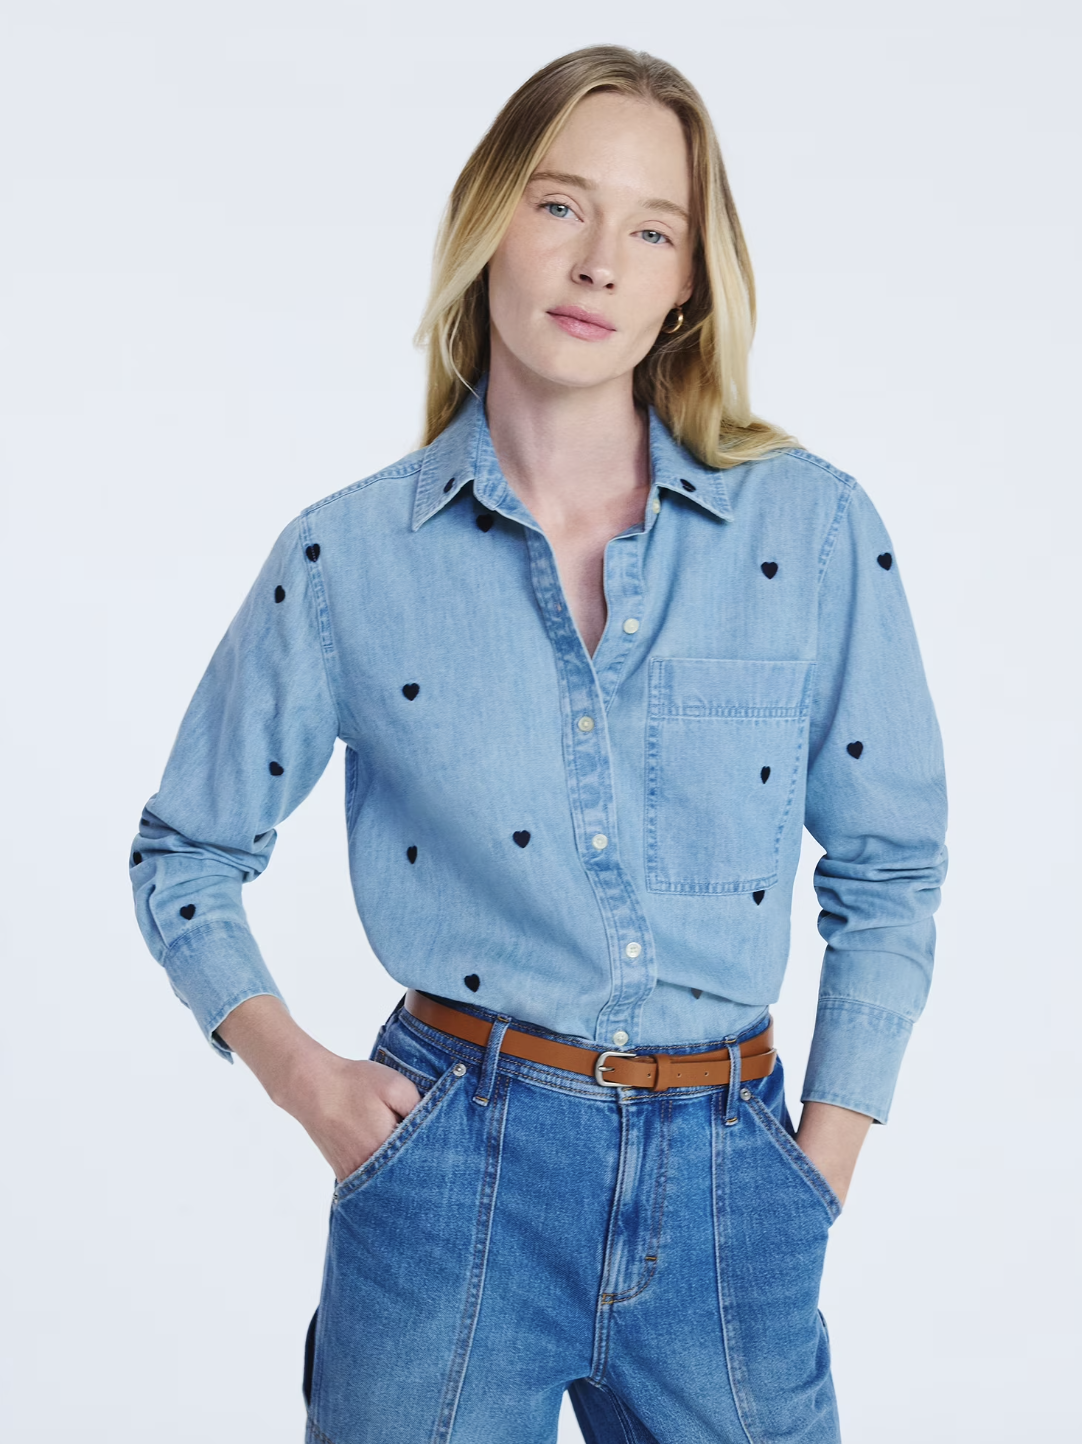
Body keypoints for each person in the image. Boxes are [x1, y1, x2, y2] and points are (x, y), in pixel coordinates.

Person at [130, 45, 947, 1444]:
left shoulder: (809, 531)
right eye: (560, 205)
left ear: (689, 282)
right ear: (487, 220)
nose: (598, 264)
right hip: (449, 1175)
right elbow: (184, 856)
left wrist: (818, 1165)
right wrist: (309, 1086)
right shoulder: (347, 561)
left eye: (652, 230)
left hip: (732, 1191)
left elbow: (890, 864)